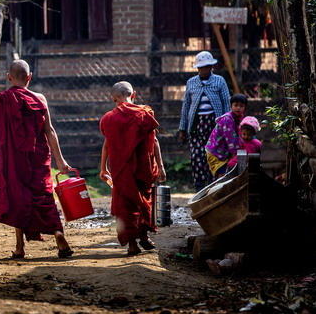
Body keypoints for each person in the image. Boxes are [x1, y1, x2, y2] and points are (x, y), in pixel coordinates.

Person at [0, 60, 73, 259]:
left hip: (14, 159)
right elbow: (49, 131)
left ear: (9, 77)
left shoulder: (3, 99)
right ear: (29, 77)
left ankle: (19, 247)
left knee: (18, 198)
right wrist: (60, 160)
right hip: (38, 157)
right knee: (43, 196)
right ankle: (58, 234)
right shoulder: (40, 98)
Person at [99, 81, 165, 256]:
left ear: (114, 99)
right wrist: (161, 166)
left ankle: (133, 244)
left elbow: (106, 144)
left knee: (126, 206)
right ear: (133, 94)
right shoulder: (145, 114)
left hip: (122, 172)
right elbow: (155, 141)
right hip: (144, 169)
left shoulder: (108, 119)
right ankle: (143, 236)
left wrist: (103, 167)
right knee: (144, 202)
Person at [178, 51, 231, 191]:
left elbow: (226, 103)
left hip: (215, 126)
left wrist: (227, 126)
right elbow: (186, 106)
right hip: (196, 126)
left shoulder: (219, 81)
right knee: (197, 157)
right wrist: (183, 128)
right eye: (201, 67)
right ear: (197, 68)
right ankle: (200, 188)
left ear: (211, 67)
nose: (203, 69)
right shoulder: (191, 83)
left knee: (214, 156)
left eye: (206, 67)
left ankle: (214, 188)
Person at [205, 94, 248, 177]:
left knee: (228, 174)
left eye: (241, 106)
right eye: (235, 105)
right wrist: (235, 154)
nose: (238, 108)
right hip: (216, 152)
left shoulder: (239, 118)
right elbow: (231, 140)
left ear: (245, 108)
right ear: (231, 106)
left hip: (223, 152)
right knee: (223, 177)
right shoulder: (227, 119)